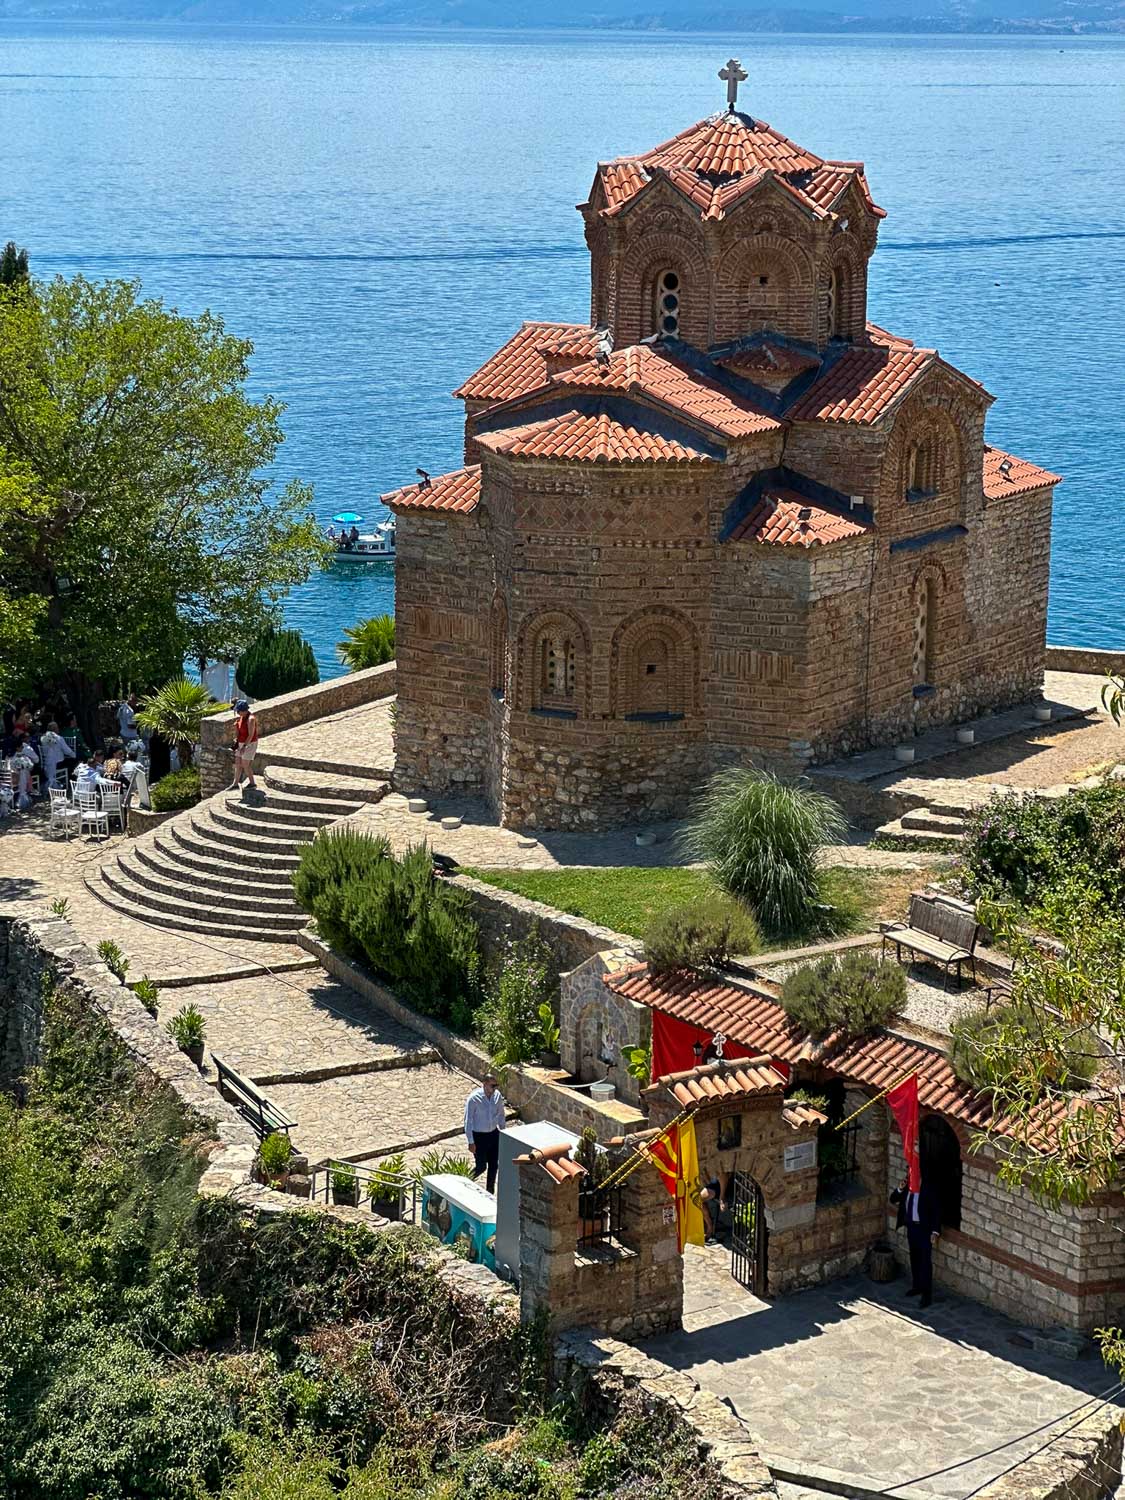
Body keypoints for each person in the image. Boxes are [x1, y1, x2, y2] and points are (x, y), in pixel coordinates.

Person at [892, 1175, 941, 1309]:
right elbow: (893, 1199)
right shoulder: (907, 1187)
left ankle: (927, 1294)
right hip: (911, 1228)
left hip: (924, 1230)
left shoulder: (927, 1189)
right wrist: (900, 1189)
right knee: (914, 1258)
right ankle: (917, 1286)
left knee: (925, 1261)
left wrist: (935, 1232)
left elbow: (936, 1210)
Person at [464, 1074, 505, 1194]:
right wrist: (471, 1142)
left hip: (493, 1134)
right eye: (492, 1086)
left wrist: (504, 1132)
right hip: (479, 1137)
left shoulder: (497, 1096)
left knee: (494, 1165)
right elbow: (468, 1121)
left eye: (496, 1085)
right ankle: (465, 1181)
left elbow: (501, 1115)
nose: (495, 1088)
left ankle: (490, 1191)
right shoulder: (474, 1099)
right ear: (485, 1084)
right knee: (481, 1166)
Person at [230, 699, 259, 792]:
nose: (237, 713)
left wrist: (244, 747)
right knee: (238, 763)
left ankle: (252, 783)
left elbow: (250, 735)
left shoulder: (251, 719)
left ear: (244, 710)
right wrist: (236, 729)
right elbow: (239, 734)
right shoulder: (241, 718)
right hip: (241, 743)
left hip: (249, 744)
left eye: (238, 711)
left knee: (245, 764)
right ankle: (235, 784)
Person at [39, 721, 73, 789]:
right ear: (55, 729)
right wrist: (73, 754)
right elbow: (67, 750)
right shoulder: (59, 738)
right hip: (57, 763)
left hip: (45, 762)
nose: (58, 729)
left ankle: (58, 781)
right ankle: (67, 784)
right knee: (71, 762)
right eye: (57, 728)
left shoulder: (42, 738)